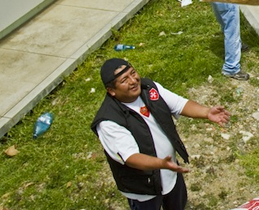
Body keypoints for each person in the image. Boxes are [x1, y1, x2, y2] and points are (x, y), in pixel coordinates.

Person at [91, 58, 231, 209]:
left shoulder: (149, 88)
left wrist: (206, 112)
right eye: (124, 79)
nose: (133, 81)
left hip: (170, 172)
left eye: (133, 73)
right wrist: (160, 164)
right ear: (111, 90)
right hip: (144, 188)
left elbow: (179, 104)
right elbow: (130, 157)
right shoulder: (108, 121)